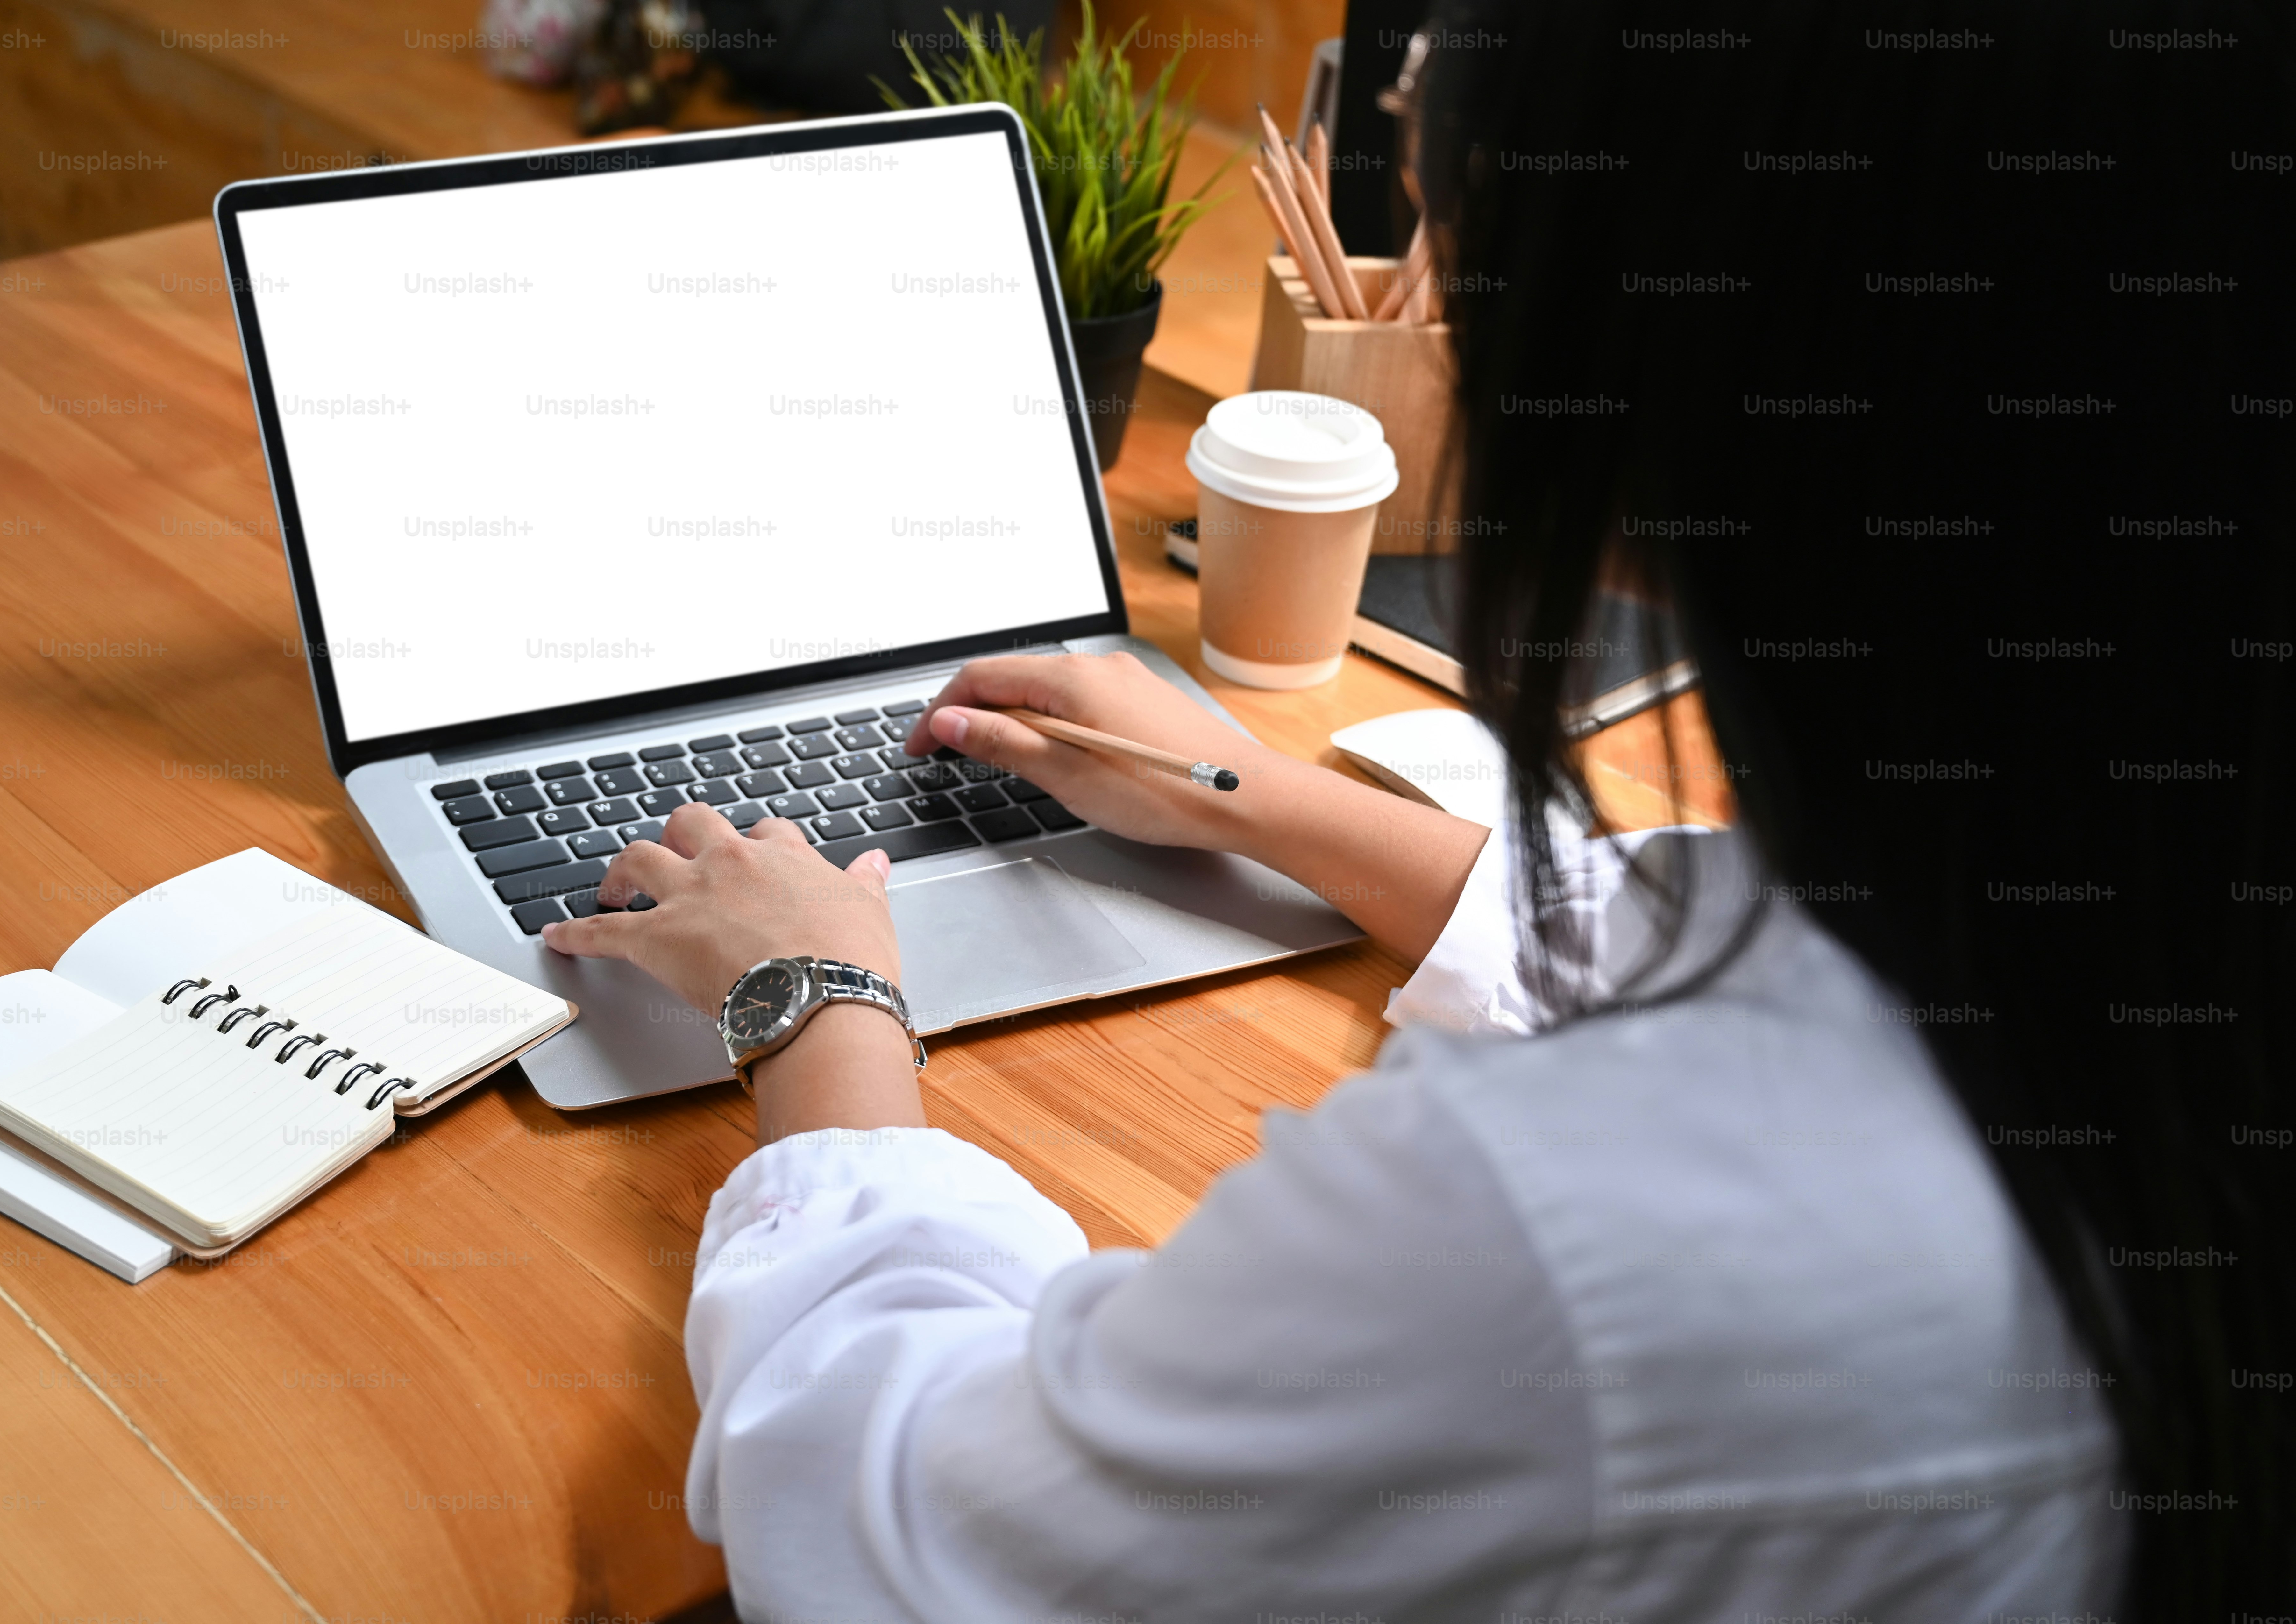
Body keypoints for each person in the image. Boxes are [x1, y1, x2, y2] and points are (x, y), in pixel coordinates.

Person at [542, 1, 2289, 1615]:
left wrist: (816, 1006)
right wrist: (1245, 792)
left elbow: (917, 1533)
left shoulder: (1568, 1218)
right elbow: (1731, 947)